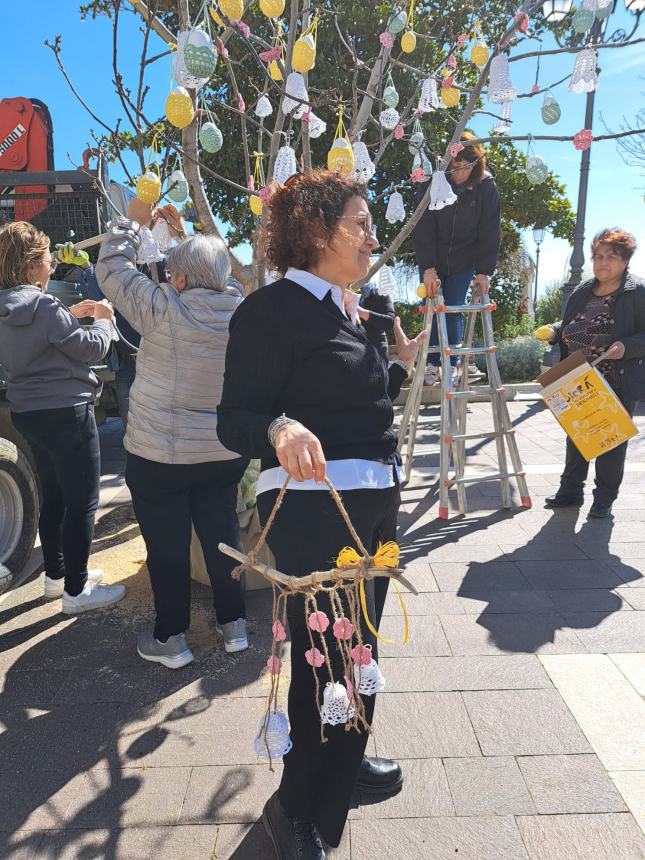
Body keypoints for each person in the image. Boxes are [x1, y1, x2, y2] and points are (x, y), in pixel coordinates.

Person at [217, 170, 426, 859]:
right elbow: (233, 419)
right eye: (360, 225)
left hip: (372, 508)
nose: (372, 237)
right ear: (314, 232)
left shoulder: (355, 309)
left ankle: (344, 761)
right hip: (312, 512)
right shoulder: (270, 311)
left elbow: (356, 411)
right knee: (322, 662)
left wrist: (396, 366)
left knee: (356, 653)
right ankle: (296, 807)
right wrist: (278, 427)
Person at [96, 198, 249, 667]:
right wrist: (188, 239)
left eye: (172, 273)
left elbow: (112, 269)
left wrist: (134, 219)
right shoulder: (243, 313)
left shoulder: (161, 308)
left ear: (177, 279)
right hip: (224, 452)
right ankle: (234, 627)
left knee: (166, 547)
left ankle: (172, 639)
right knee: (223, 536)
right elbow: (209, 272)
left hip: (159, 457)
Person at [0, 221, 126, 611]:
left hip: (28, 412)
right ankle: (77, 589)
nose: (52, 267)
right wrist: (105, 318)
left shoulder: (13, 308)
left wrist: (64, 316)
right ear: (31, 267)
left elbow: (37, 339)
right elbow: (91, 349)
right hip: (68, 411)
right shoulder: (44, 306)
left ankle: (57, 578)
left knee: (52, 496)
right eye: (47, 261)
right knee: (83, 499)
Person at [538, 228, 644, 518]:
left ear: (625, 261)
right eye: (598, 256)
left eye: (611, 256)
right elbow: (571, 323)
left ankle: (603, 500)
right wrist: (555, 331)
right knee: (577, 436)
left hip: (617, 378)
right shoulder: (583, 289)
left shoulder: (638, 292)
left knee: (610, 441)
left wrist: (627, 346)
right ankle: (570, 492)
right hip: (580, 377)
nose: (603, 263)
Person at [412, 130, 501, 385]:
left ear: (476, 164)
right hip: (434, 255)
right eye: (456, 166)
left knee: (452, 306)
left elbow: (490, 231)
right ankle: (431, 363)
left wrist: (484, 272)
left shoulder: (486, 187)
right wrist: (428, 267)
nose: (460, 172)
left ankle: (452, 363)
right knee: (431, 306)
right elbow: (423, 226)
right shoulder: (434, 181)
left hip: (464, 258)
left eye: (466, 167)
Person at [346, 280, 395, 361]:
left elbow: (390, 322)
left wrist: (360, 312)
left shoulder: (381, 295)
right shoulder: (344, 295)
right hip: (353, 349)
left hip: (377, 350)